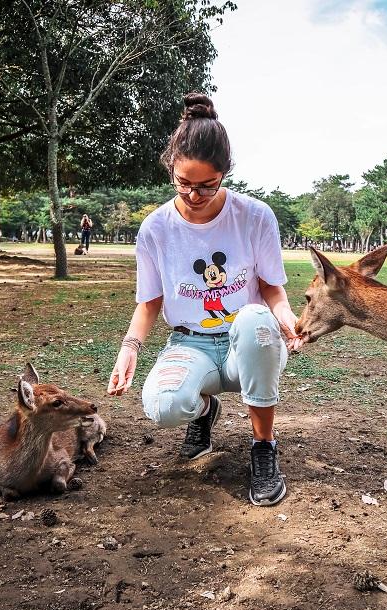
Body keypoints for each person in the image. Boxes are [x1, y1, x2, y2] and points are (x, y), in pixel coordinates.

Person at [106, 93, 303, 507]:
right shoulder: (155, 228)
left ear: (225, 174)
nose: (194, 195)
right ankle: (202, 410)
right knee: (163, 405)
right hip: (189, 343)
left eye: (207, 186)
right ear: (171, 171)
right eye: (184, 184)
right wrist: (129, 350)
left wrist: (285, 317)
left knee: (253, 318)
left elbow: (270, 288)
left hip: (246, 343)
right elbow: (149, 301)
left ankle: (263, 448)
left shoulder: (255, 216)